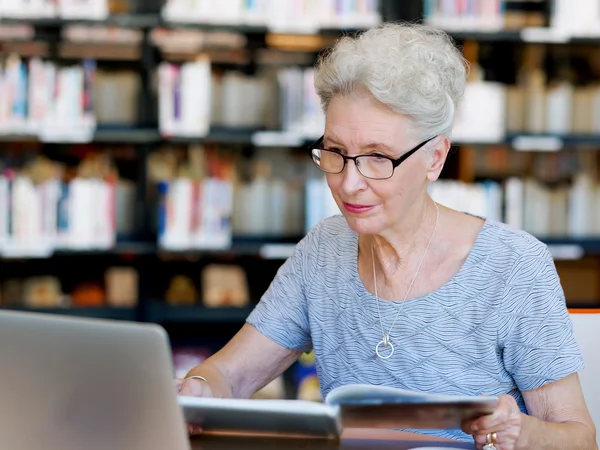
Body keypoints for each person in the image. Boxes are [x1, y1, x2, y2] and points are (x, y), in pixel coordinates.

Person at [178, 23, 597, 450]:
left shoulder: (512, 266)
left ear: (435, 157)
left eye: (377, 158)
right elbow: (230, 374)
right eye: (336, 152)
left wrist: (520, 434)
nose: (349, 183)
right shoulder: (324, 250)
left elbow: (580, 438)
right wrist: (198, 390)